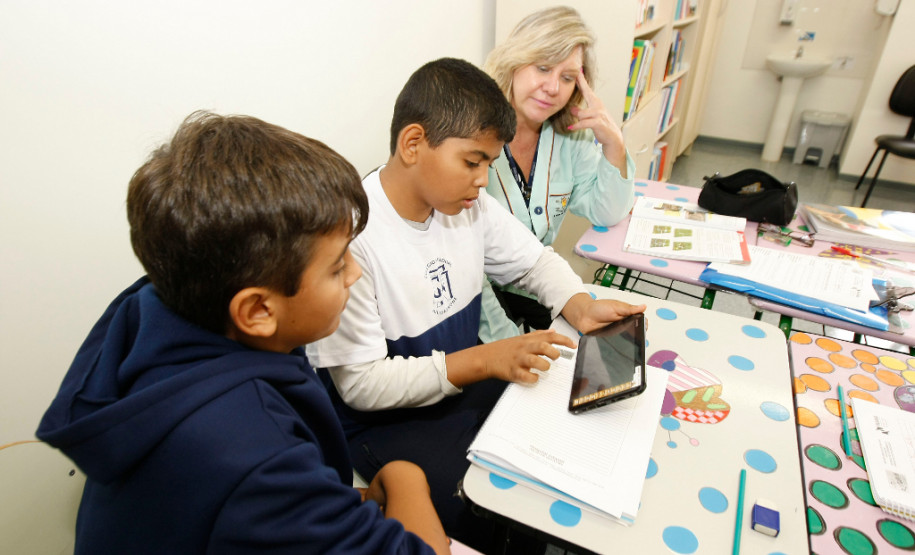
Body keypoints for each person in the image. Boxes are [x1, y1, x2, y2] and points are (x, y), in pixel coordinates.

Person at [35, 111, 450, 554]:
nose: (355, 272)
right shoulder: (252, 453)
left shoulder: (153, 309)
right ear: (256, 310)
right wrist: (408, 479)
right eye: (336, 265)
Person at [305, 58, 645, 552]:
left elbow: (532, 260)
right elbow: (362, 387)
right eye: (473, 161)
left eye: (489, 162)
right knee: (487, 503)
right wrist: (484, 360)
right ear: (413, 144)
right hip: (383, 422)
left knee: (555, 431)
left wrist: (577, 302)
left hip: (457, 386)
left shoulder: (467, 206)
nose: (484, 180)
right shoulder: (353, 240)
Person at [479, 5, 636, 341]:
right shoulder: (473, 128)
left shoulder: (570, 134)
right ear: (514, 63)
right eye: (543, 68)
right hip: (478, 296)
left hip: (540, 285)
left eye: (567, 77)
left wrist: (614, 146)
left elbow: (606, 212)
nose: (553, 87)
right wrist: (509, 342)